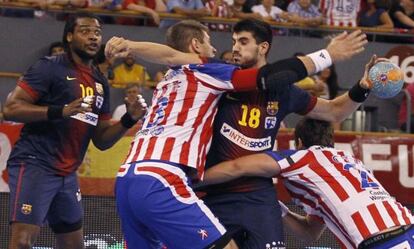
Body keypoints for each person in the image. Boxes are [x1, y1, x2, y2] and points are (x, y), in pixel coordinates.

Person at [105, 19, 368, 249]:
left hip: (257, 197)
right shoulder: (216, 76)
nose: (232, 48)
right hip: (208, 192)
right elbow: (174, 56)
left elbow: (334, 112)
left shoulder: (279, 90)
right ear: (197, 45)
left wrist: (363, 87)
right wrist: (328, 54)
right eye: (233, 41)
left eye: (242, 41)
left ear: (263, 47)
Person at [3, 13, 146, 249]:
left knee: (73, 245)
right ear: (69, 36)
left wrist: (129, 120)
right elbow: (11, 109)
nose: (93, 37)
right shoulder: (49, 67)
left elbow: (101, 140)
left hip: (67, 173)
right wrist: (61, 111)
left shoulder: (100, 83)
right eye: (85, 31)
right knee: (22, 242)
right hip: (35, 163)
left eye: (97, 32)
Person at [201, 117, 414, 249]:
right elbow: (310, 233)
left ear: (299, 143)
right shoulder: (350, 161)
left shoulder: (304, 158)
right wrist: (276, 206)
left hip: (383, 240)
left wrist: (192, 180)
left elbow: (238, 167)